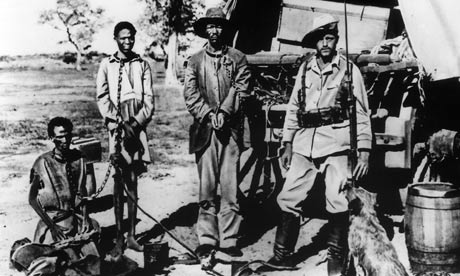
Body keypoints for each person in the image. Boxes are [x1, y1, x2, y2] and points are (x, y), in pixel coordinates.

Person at [265, 14, 372, 275]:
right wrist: (288, 142)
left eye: (330, 38)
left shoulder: (349, 71)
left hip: (336, 144)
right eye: (320, 39)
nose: (325, 43)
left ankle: (337, 262)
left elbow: (361, 112)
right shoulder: (305, 69)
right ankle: (283, 256)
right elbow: (294, 107)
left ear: (336, 40)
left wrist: (365, 150)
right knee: (288, 197)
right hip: (304, 144)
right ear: (314, 43)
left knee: (337, 201)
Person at [184, 7, 251, 259]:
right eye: (211, 26)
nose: (215, 30)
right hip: (205, 132)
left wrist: (224, 111)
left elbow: (241, 87)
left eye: (219, 26)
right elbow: (190, 95)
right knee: (207, 189)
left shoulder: (238, 58)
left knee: (230, 188)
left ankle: (229, 239)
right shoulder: (194, 61)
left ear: (225, 29)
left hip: (231, 131)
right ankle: (207, 238)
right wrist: (209, 114)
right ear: (205, 30)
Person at [96, 21, 155, 258]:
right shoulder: (106, 65)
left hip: (136, 126)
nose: (127, 42)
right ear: (115, 39)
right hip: (117, 127)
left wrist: (135, 123)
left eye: (131, 37)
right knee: (119, 180)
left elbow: (149, 100)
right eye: (123, 38)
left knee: (133, 180)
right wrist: (118, 122)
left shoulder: (143, 65)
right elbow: (102, 97)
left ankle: (132, 236)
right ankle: (119, 237)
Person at [29, 117, 100, 275]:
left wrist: (86, 217)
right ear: (51, 138)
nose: (65, 140)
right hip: (54, 222)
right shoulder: (42, 163)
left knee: (93, 260)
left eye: (67, 135)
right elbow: (32, 199)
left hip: (76, 219)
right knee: (60, 260)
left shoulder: (79, 159)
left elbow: (83, 194)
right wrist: (52, 227)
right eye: (60, 136)